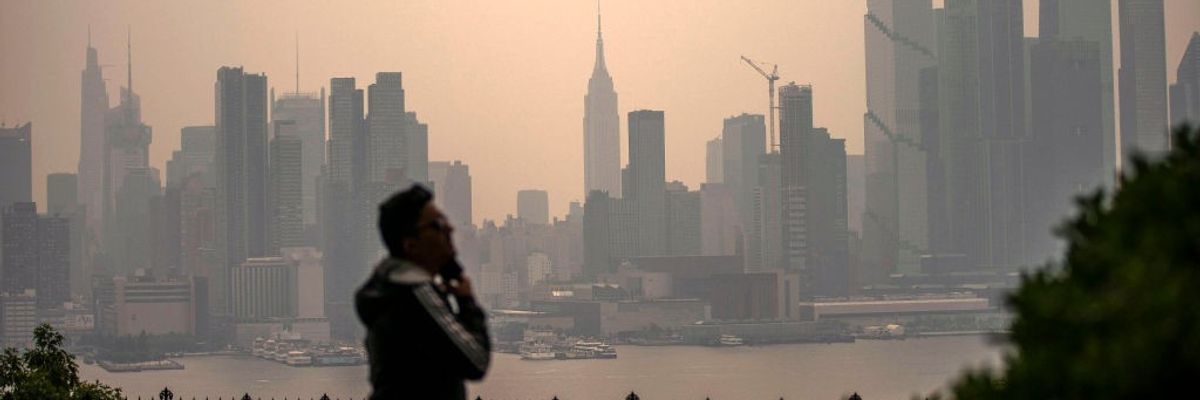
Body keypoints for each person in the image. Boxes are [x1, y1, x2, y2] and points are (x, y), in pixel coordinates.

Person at [356, 184, 490, 399]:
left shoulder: (387, 289)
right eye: (437, 225)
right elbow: (476, 361)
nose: (450, 229)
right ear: (411, 245)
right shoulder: (417, 295)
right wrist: (467, 302)